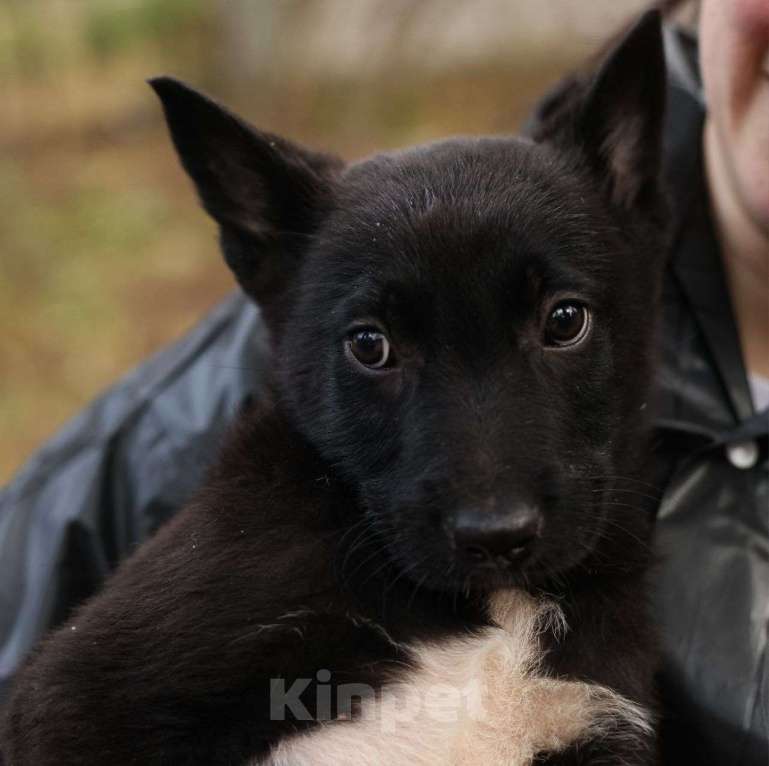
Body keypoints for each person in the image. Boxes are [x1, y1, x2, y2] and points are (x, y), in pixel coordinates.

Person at [0, 1, 766, 763]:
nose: (493, 508)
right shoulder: (219, 456)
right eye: (373, 347)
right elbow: (62, 715)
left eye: (561, 324)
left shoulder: (605, 612)